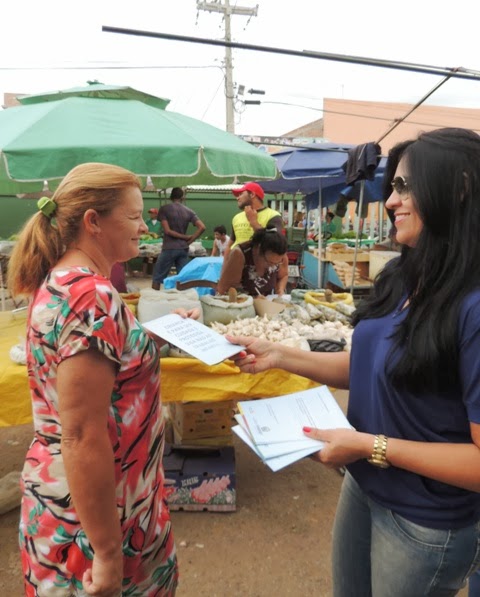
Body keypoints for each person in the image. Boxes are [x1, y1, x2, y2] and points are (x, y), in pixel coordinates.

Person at [227, 128, 480, 596]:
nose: (391, 201)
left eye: (405, 186)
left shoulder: (473, 306)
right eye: (392, 186)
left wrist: (370, 445)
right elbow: (369, 367)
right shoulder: (404, 274)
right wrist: (280, 355)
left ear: (459, 188)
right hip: (364, 487)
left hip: (423, 521)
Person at [7, 162, 200, 596]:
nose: (145, 226)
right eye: (134, 216)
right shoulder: (90, 297)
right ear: (93, 222)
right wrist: (109, 552)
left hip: (78, 505)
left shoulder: (64, 282)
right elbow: (81, 434)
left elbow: (104, 357)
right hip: (98, 518)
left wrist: (157, 332)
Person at [151, 187, 206, 290]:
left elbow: (167, 231)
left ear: (171, 196)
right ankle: (185, 299)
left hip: (169, 248)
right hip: (183, 249)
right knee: (184, 279)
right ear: (183, 197)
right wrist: (189, 240)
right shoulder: (189, 211)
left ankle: (153, 298)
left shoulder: (164, 209)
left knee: (157, 278)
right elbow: (202, 227)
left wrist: (186, 238)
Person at [216, 227, 288, 297]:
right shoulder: (239, 254)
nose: (273, 266)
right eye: (269, 262)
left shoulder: (279, 254)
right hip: (242, 302)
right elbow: (223, 290)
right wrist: (250, 300)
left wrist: (280, 288)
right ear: (258, 249)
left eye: (277, 263)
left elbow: (283, 275)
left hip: (267, 302)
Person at [222, 182, 283, 264]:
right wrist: (224, 267)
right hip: (235, 263)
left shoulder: (273, 216)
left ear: (252, 194)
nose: (237, 198)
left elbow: (275, 244)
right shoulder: (237, 217)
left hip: (258, 265)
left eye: (240, 194)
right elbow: (230, 245)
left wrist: (253, 222)